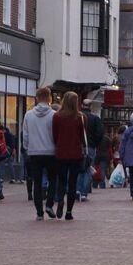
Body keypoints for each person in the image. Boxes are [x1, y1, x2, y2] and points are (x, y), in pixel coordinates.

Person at [23, 86, 58, 220]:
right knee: (52, 179)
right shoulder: (54, 115)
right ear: (49, 98)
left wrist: (27, 148)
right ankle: (49, 204)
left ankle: (39, 212)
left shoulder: (28, 115)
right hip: (51, 152)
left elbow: (25, 135)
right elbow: (56, 135)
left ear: (37, 98)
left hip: (34, 152)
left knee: (36, 183)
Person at [51, 92, 85, 220]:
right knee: (72, 183)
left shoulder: (57, 116)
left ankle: (60, 201)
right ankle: (69, 211)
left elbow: (54, 135)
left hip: (61, 153)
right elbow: (82, 137)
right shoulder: (80, 117)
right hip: (76, 153)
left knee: (62, 180)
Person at [77, 99, 103, 201]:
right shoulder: (95, 119)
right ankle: (84, 193)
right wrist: (95, 143)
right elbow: (100, 133)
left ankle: (77, 190)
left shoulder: (77, 117)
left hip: (78, 146)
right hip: (90, 146)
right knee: (88, 169)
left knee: (78, 169)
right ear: (91, 106)